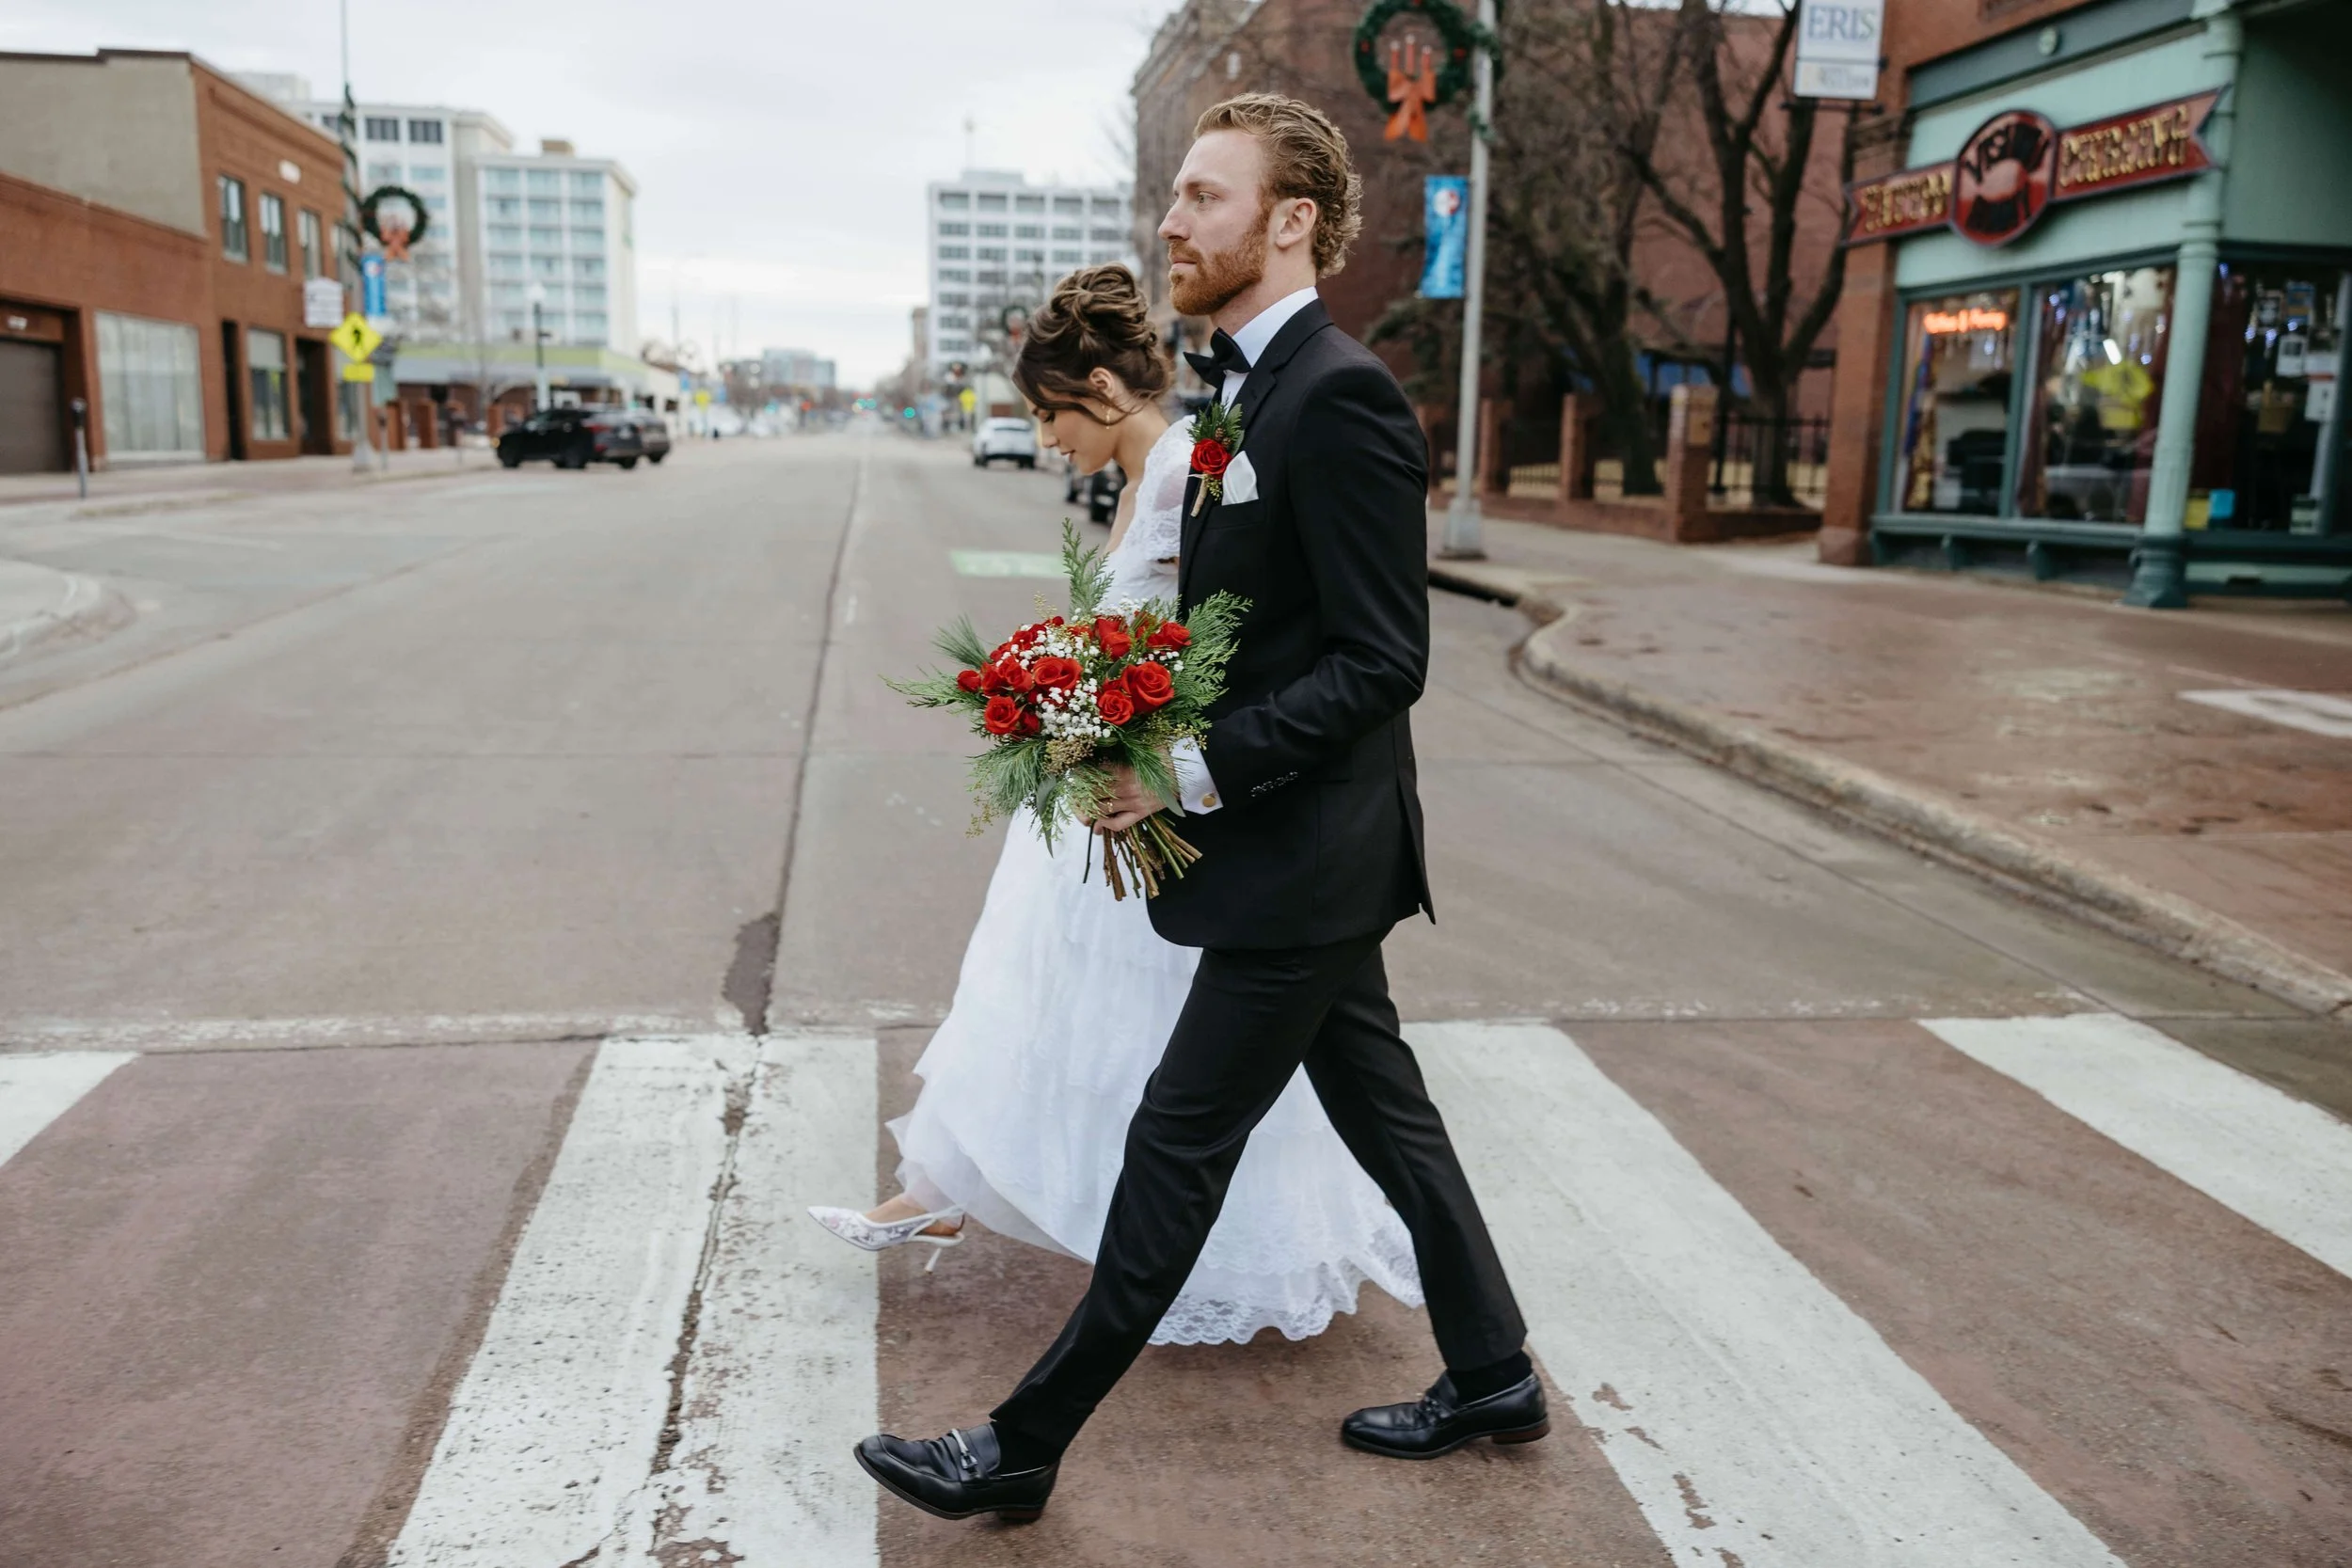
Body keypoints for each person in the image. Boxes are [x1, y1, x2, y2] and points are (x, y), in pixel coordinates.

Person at [851, 94, 1537, 1526]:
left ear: (1292, 222)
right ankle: (1493, 1369)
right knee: (1393, 1121)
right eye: (1174, 196)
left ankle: (1024, 1442)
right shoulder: (1239, 398)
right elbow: (1233, 625)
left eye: (1207, 198)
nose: (1173, 221)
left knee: (1175, 1143)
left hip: (1306, 852)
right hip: (1305, 856)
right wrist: (1125, 701)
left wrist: (1179, 769)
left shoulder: (1337, 394)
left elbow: (1379, 659)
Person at [805, 261, 1423, 1348]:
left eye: (1047, 414)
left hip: (1171, 797)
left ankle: (1172, 1253)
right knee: (1046, 1008)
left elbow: (1231, 640)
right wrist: (1058, 694)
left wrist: (1143, 740)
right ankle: (947, 1189)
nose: (1045, 437)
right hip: (1114, 785)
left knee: (1149, 1038)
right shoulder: (1141, 478)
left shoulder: (1197, 463)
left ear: (1096, 387)